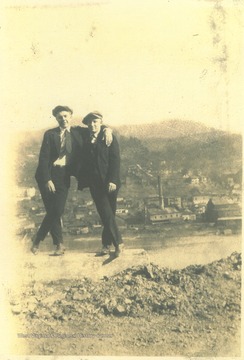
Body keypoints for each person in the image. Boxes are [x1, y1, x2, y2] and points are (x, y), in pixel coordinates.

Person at [31, 106, 112, 255]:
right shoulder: (50, 135)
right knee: (52, 210)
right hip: (48, 175)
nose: (63, 119)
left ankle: (37, 239)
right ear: (56, 119)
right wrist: (47, 179)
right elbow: (43, 159)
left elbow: (95, 126)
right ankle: (59, 245)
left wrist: (107, 129)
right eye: (60, 117)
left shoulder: (78, 132)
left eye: (66, 116)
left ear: (71, 116)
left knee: (58, 209)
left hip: (64, 175)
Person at [77, 111, 124, 257]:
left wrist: (113, 180)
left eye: (95, 122)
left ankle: (106, 245)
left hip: (111, 183)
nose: (92, 125)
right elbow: (73, 129)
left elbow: (115, 161)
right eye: (90, 122)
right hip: (95, 184)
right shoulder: (85, 137)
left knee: (110, 214)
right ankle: (119, 244)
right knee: (106, 213)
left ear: (101, 122)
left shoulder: (108, 137)